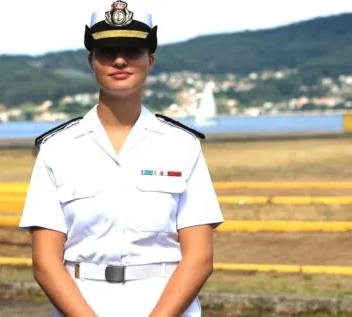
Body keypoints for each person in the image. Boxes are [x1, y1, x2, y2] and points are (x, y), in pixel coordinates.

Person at [19, 1, 224, 316]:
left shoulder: (182, 145)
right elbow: (45, 262)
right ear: (91, 61)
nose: (119, 60)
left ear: (150, 60)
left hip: (167, 306)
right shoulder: (57, 148)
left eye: (132, 51)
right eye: (107, 52)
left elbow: (199, 258)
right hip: (82, 306)